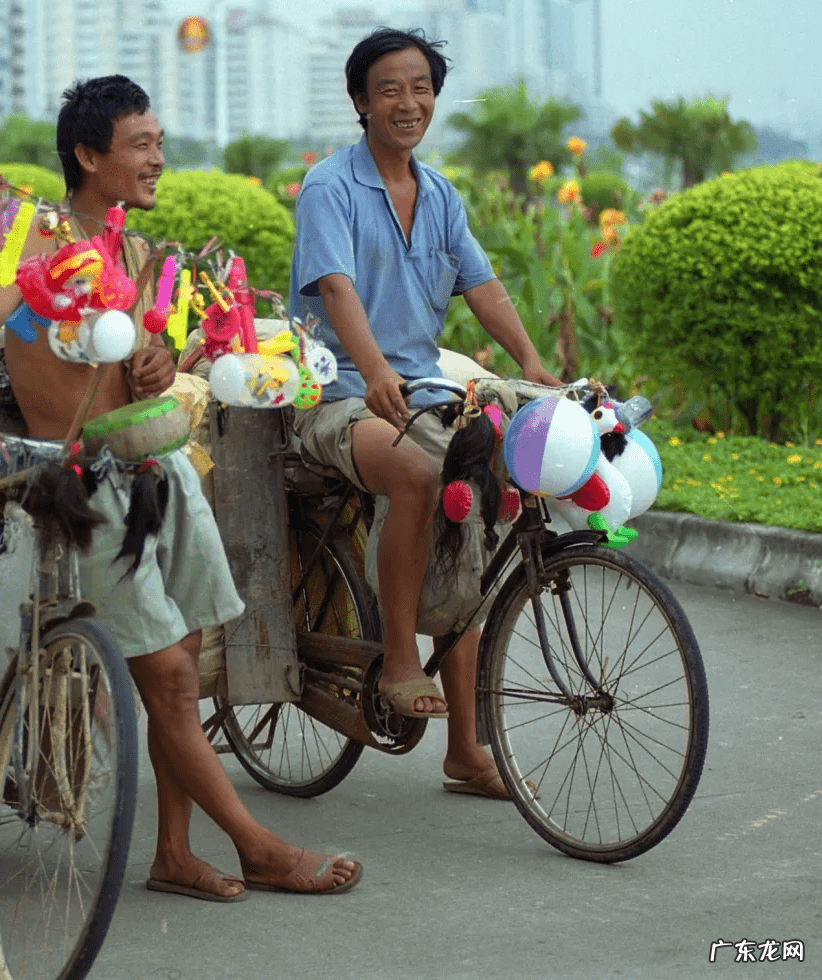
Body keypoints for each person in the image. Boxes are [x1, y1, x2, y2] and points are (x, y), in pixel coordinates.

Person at [0, 75, 361, 899]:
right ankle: (256, 845)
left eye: (158, 141)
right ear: (89, 155)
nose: (159, 158)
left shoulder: (142, 254)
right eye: (141, 144)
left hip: (158, 472)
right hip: (83, 489)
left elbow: (142, 362)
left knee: (183, 663)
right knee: (174, 679)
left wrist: (160, 362)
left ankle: (174, 855)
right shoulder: (36, 243)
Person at [289, 29, 561, 799]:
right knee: (416, 471)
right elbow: (337, 289)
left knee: (471, 505)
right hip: (334, 394)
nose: (408, 103)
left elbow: (485, 287)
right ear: (359, 103)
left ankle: (466, 752)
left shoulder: (440, 194)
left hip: (418, 389)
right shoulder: (329, 188)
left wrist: (532, 363)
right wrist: (373, 372)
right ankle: (401, 659)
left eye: (421, 88)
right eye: (389, 89)